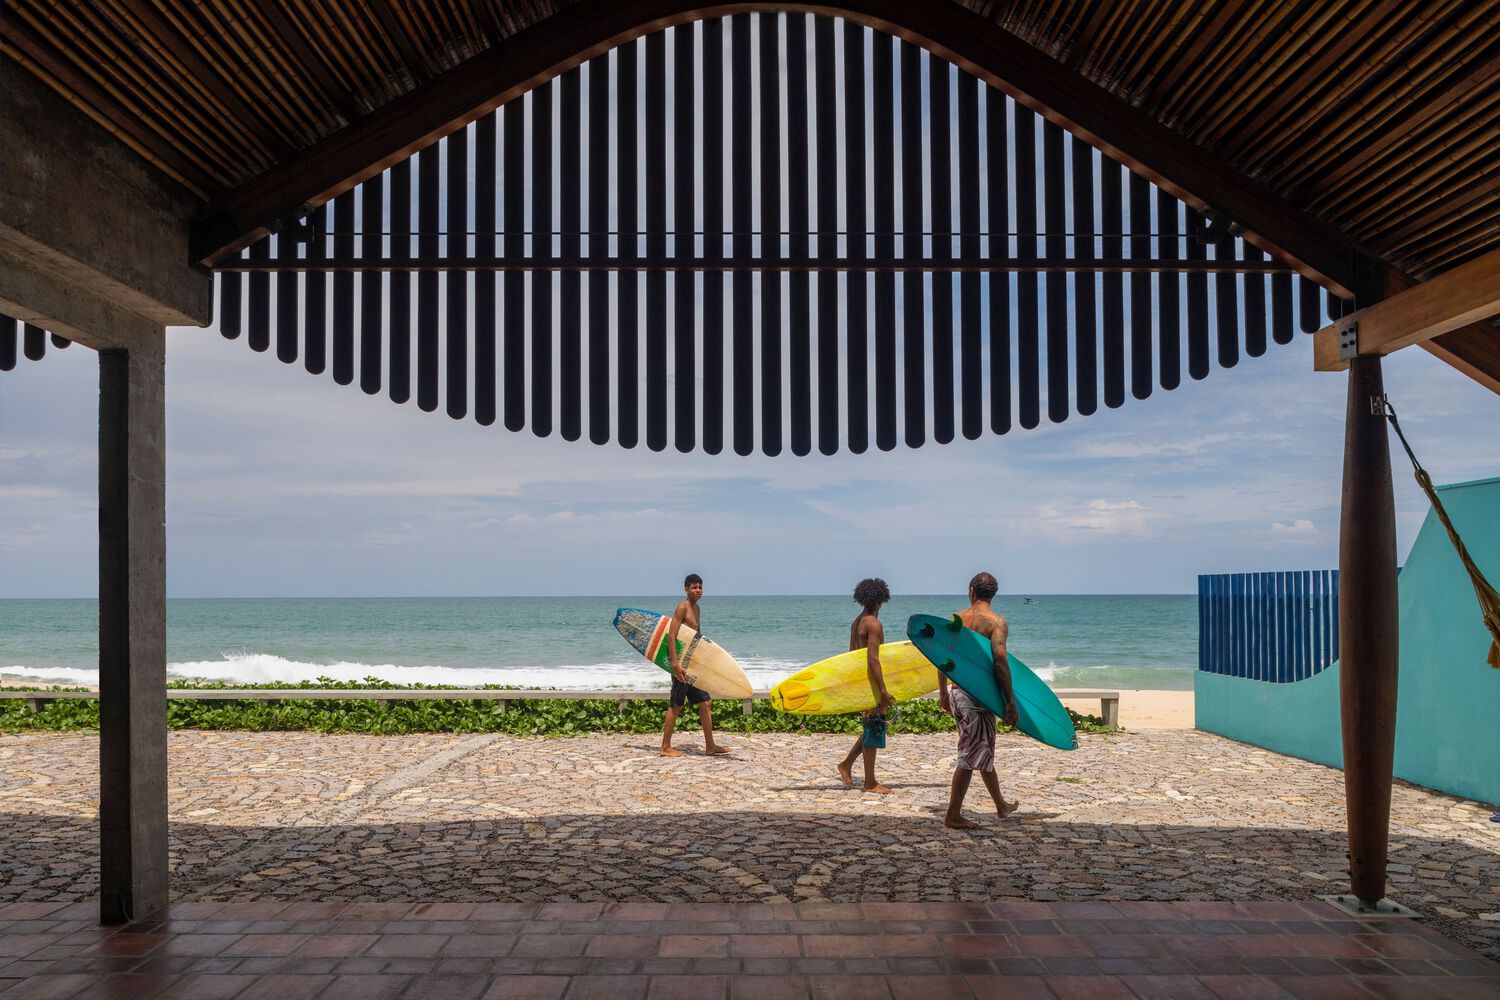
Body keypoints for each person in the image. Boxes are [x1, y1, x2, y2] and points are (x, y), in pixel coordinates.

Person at [938, 571, 1020, 827]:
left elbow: (941, 657)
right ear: (993, 594)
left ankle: (1001, 805)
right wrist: (1010, 702)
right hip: (978, 698)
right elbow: (1000, 663)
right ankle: (953, 815)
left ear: (971, 591)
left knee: (980, 748)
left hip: (957, 693)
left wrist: (943, 692)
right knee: (969, 754)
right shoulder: (996, 623)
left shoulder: (956, 619)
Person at [837, 578, 896, 793]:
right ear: (881, 599)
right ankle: (870, 782)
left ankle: (846, 764)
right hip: (871, 684)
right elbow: (873, 659)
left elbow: (852, 656)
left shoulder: (857, 622)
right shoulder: (874, 624)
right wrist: (882, 691)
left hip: (862, 681)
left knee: (871, 726)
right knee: (875, 727)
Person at [660, 573, 730, 757]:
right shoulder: (682, 608)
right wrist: (675, 665)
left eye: (700, 587)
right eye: (694, 587)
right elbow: (671, 637)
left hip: (693, 664)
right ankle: (665, 747)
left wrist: (704, 659)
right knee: (676, 705)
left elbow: (696, 636)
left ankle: (710, 746)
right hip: (681, 666)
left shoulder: (697, 608)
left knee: (706, 702)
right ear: (686, 589)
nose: (698, 590)